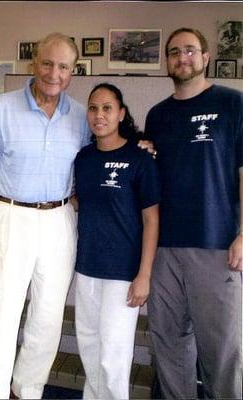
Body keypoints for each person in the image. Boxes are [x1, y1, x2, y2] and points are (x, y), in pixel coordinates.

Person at [0, 32, 90, 399]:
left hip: (58, 222)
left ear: (73, 72)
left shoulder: (82, 117)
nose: (54, 73)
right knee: (1, 319)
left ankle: (28, 390)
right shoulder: (3, 107)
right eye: (47, 63)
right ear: (33, 65)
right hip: (8, 218)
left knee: (47, 319)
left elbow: (91, 168)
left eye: (63, 67)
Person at [145, 27, 243, 399]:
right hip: (164, 249)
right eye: (174, 52)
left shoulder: (233, 103)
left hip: (216, 246)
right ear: (167, 61)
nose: (182, 57)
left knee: (222, 352)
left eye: (190, 50)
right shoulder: (158, 115)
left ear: (205, 57)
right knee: (169, 347)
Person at [74, 83, 159, 399]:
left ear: (121, 113)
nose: (99, 115)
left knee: (113, 358)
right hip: (87, 269)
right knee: (91, 349)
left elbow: (152, 219)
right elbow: (79, 200)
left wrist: (144, 276)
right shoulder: (83, 158)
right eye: (93, 108)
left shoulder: (140, 159)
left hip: (123, 274)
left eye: (107, 108)